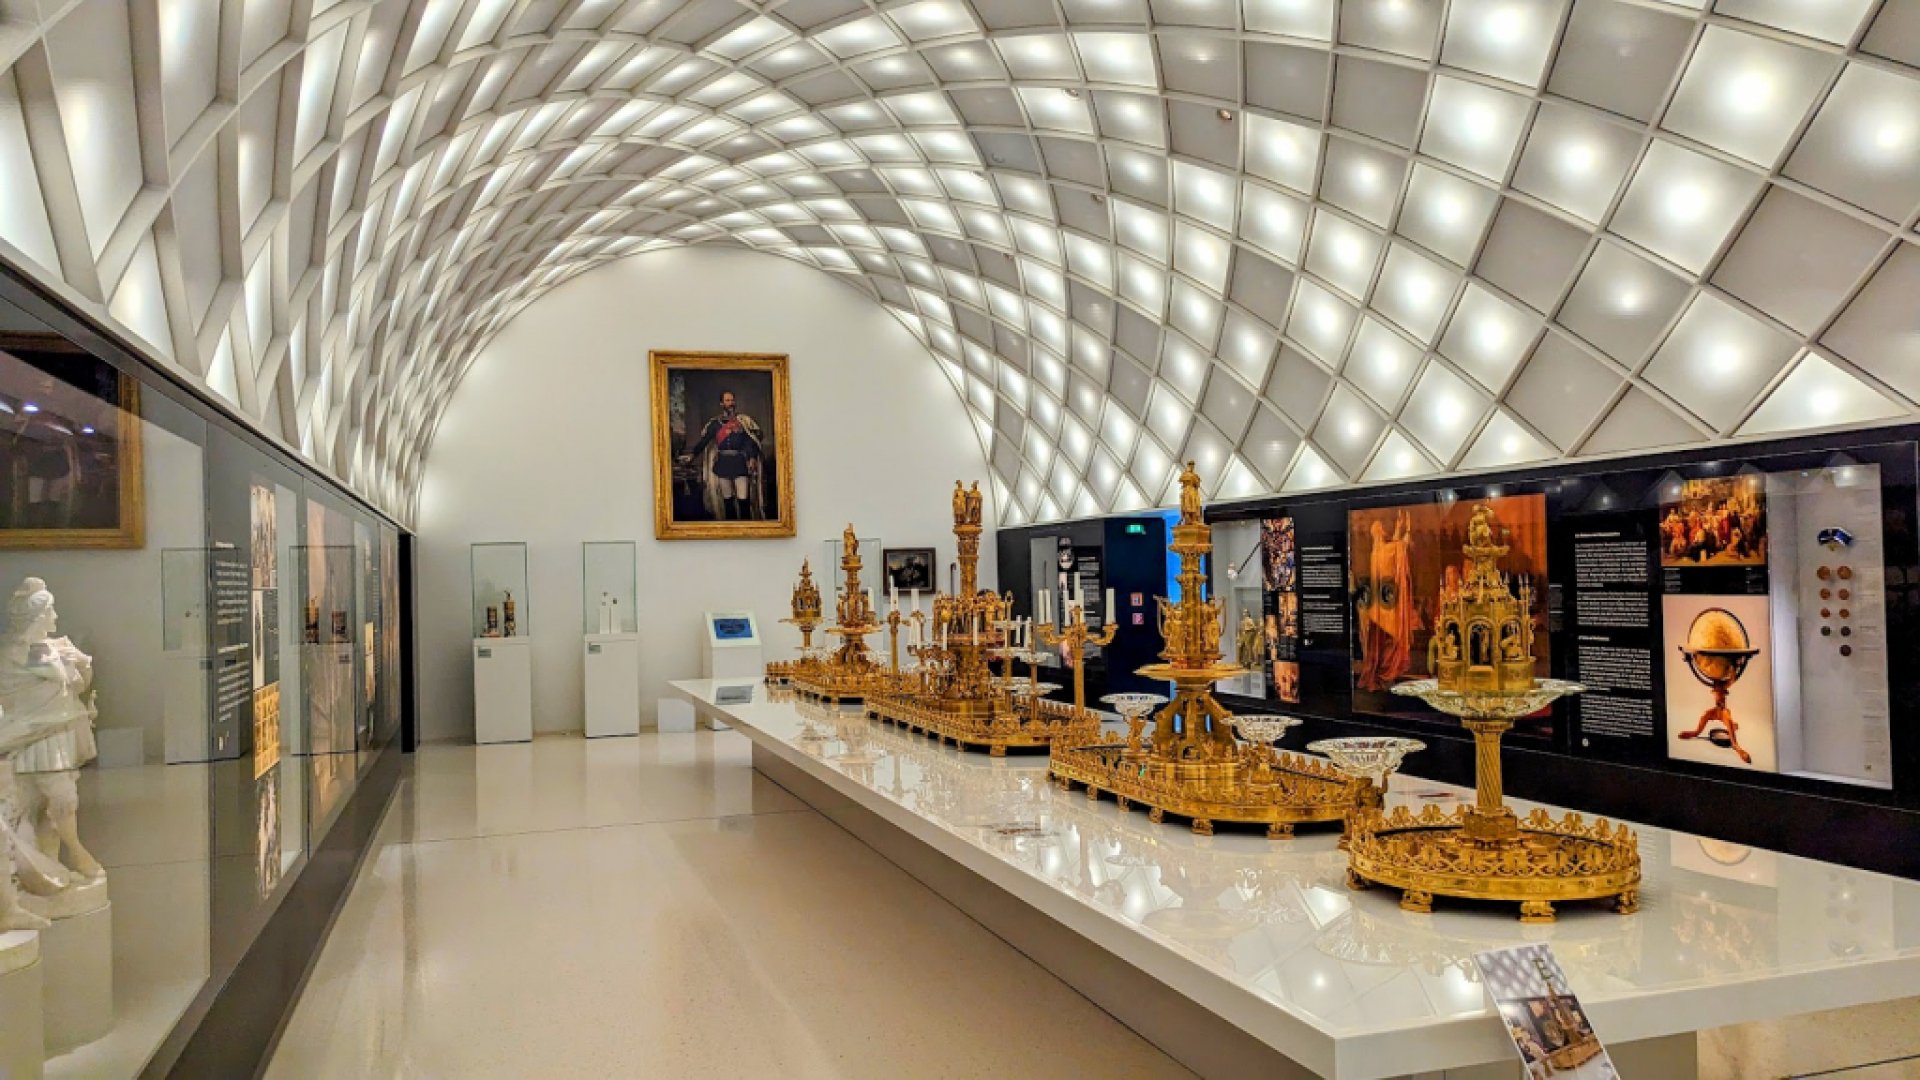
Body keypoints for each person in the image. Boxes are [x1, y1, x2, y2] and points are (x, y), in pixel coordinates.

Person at [679, 390, 766, 521]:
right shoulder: (715, 424)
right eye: (727, 400)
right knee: (728, 501)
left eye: (732, 400)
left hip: (740, 464)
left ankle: (745, 529)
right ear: (721, 403)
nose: (731, 403)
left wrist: (752, 457)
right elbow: (704, 441)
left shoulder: (743, 422)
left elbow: (750, 442)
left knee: (743, 500)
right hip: (723, 465)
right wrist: (693, 454)